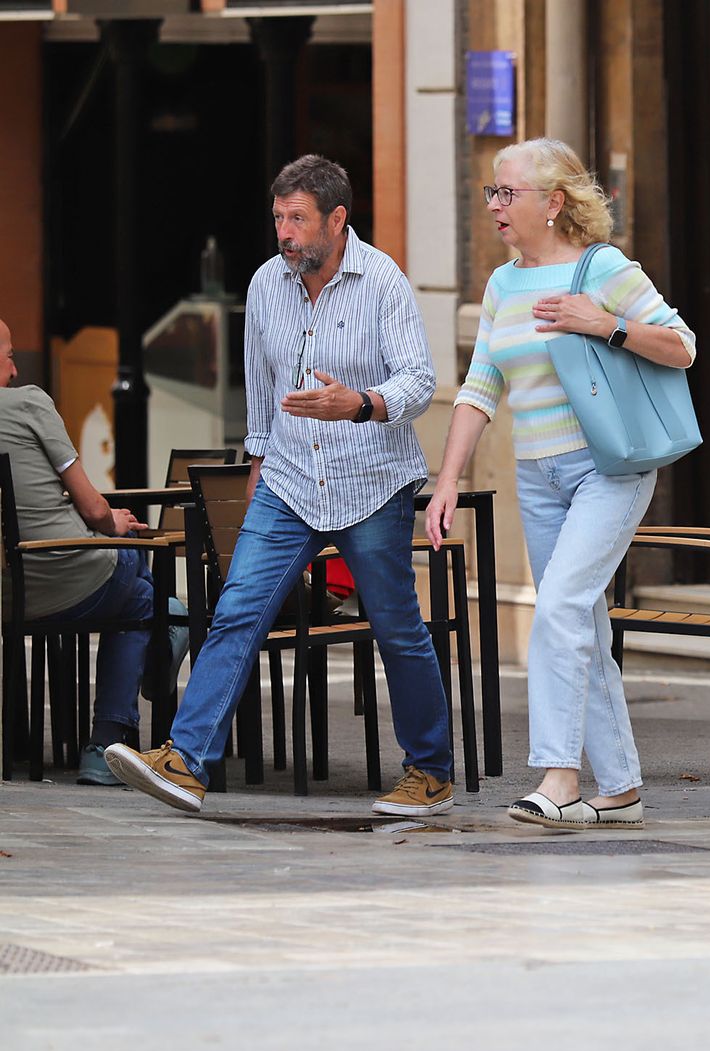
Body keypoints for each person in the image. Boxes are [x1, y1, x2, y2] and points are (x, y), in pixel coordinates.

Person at [107, 155, 455, 815]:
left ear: (337, 218)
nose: (285, 233)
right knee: (238, 610)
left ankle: (430, 772)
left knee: (396, 627)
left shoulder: (383, 281)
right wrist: (258, 473)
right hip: (289, 483)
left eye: (298, 219)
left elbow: (419, 382)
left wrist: (359, 402)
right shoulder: (267, 284)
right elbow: (261, 398)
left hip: (371, 483)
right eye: (278, 219)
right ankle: (185, 762)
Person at [425, 138, 695, 829]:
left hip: (609, 468)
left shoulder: (603, 269)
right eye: (491, 192)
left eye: (506, 193)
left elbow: (682, 346)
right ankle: (623, 788)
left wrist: (605, 325)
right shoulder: (502, 285)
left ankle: (559, 778)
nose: (494, 206)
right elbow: (480, 387)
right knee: (582, 621)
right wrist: (448, 479)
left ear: (553, 202)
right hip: (538, 478)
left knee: (560, 611)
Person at [0, 317, 155, 785]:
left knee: (139, 587)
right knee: (142, 589)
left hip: (8, 595)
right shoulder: (29, 403)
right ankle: (104, 745)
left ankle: (20, 738)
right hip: (71, 577)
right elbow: (92, 508)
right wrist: (116, 525)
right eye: (9, 355)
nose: (12, 369)